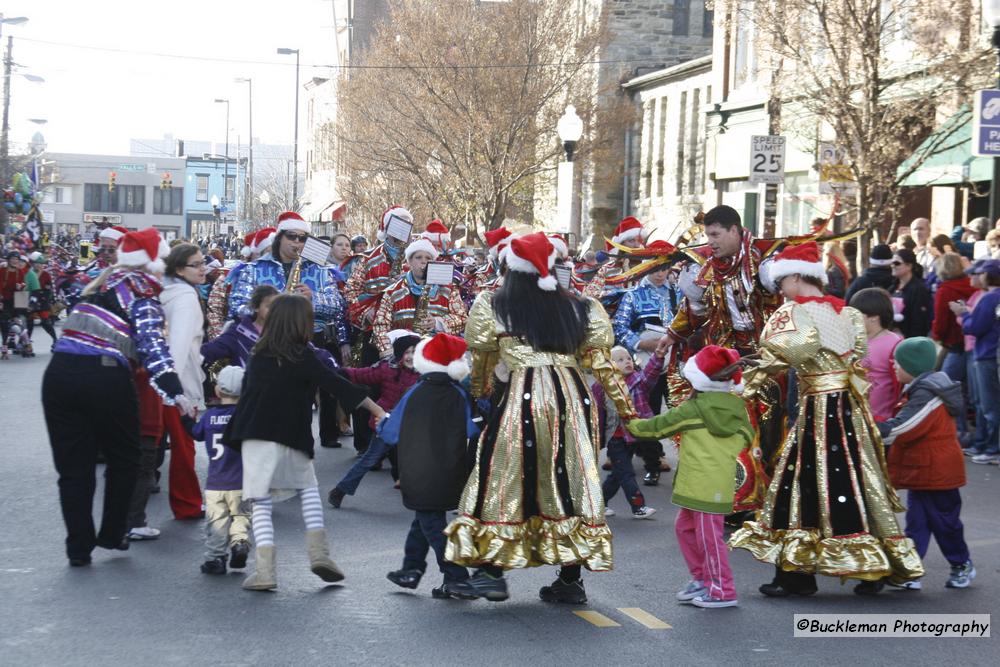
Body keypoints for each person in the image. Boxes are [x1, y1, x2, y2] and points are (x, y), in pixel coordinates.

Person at [444, 232, 637, 604]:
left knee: (504, 474)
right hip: (572, 399)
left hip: (523, 396)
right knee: (570, 477)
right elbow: (600, 362)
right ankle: (570, 578)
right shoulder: (580, 307)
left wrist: (481, 394)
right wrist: (627, 410)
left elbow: (482, 361)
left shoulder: (494, 304)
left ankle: (492, 572)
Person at [729, 241, 924, 596]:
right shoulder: (848, 313)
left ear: (798, 277)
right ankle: (871, 569)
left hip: (818, 410)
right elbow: (857, 358)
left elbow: (778, 357)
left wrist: (742, 386)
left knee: (802, 483)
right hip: (847, 410)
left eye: (782, 282)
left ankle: (796, 575)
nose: (779, 290)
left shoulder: (794, 314)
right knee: (856, 481)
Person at [42, 228, 193, 566]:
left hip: (58, 375)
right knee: (126, 458)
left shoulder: (97, 283)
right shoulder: (142, 290)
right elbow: (154, 348)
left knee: (73, 469)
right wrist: (176, 393)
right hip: (105, 374)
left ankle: (78, 549)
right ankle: (113, 532)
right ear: (153, 262)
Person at [222, 293, 386, 591]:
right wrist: (376, 410)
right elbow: (337, 384)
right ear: (302, 324)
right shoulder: (304, 355)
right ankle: (319, 555)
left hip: (256, 436)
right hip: (293, 435)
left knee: (260, 503)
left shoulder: (259, 354)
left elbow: (246, 399)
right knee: (308, 492)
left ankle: (265, 571)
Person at [627, 345, 754, 608]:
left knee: (709, 539)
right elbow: (748, 437)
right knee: (686, 528)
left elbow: (656, 428)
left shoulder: (693, 408)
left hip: (700, 483)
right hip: (714, 481)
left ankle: (722, 590)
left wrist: (628, 421)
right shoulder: (736, 406)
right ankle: (702, 579)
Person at [380, 333, 479, 600]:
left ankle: (458, 577)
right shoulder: (460, 394)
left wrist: (382, 422)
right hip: (451, 470)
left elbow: (390, 433)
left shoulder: (414, 393)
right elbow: (474, 429)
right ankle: (411, 569)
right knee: (425, 519)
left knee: (433, 525)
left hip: (419, 470)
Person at [876, 338, 975, 590]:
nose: (895, 366)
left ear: (913, 366)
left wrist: (871, 430)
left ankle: (961, 564)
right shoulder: (926, 388)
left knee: (945, 523)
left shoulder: (928, 394)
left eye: (899, 362)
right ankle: (911, 570)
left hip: (937, 472)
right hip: (925, 470)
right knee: (917, 523)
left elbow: (904, 427)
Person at [328, 331, 421, 507]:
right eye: (407, 352)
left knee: (413, 457)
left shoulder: (423, 373)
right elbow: (362, 374)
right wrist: (339, 372)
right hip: (386, 423)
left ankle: (408, 484)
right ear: (400, 354)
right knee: (369, 459)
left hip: (410, 425)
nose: (411, 357)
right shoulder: (387, 368)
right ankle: (341, 489)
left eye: (415, 352)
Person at [161, 243, 209, 520]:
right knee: (183, 446)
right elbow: (178, 345)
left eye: (203, 262)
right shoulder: (185, 298)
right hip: (177, 382)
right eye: (196, 264)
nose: (203, 269)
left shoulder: (167, 292)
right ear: (179, 269)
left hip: (163, 378)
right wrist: (175, 388)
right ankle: (187, 503)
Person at [592, 343, 664, 518]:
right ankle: (638, 507)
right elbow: (596, 412)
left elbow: (651, 374)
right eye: (620, 360)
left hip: (634, 436)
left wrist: (659, 356)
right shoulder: (603, 387)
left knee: (618, 474)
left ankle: (598, 504)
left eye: (629, 358)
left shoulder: (639, 382)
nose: (627, 362)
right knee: (626, 473)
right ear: (610, 365)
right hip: (615, 439)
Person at [193, 366, 251, 576]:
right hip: (243, 481)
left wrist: (186, 418)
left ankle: (215, 559)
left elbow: (196, 434)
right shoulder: (244, 416)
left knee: (217, 522)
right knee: (241, 516)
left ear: (218, 391)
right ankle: (239, 543)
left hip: (216, 482)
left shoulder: (209, 416)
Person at [373, 237, 468, 356]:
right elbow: (380, 326)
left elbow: (462, 318)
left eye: (428, 258)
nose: (424, 262)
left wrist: (437, 322)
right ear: (409, 262)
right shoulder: (393, 291)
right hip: (403, 357)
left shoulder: (448, 289)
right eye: (418, 257)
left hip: (437, 354)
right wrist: (390, 354)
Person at [951, 258, 1000, 465]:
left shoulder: (990, 298)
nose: (976, 277)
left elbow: (975, 327)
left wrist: (963, 314)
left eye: (980, 273)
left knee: (988, 405)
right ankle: (984, 444)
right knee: (985, 404)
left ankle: (992, 448)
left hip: (986, 353)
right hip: (990, 353)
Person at [931, 253, 977, 436]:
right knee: (968, 391)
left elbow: (941, 321)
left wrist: (937, 336)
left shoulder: (945, 290)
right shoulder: (972, 286)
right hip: (972, 343)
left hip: (954, 344)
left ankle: (958, 431)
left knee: (948, 388)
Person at [848, 288, 903, 422]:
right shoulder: (851, 339)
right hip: (853, 417)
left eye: (856, 314)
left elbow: (902, 385)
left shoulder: (894, 344)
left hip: (881, 421)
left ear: (874, 317)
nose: (850, 318)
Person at [201, 285, 279, 369]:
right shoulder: (238, 332)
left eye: (277, 307)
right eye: (269, 306)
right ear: (256, 307)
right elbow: (212, 349)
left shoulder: (281, 333)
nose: (273, 311)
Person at [890, 248, 932, 338]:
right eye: (891, 262)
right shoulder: (892, 287)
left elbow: (919, 321)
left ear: (909, 266)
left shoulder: (919, 289)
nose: (893, 266)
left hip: (910, 340)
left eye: (897, 263)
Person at [27, 253, 58, 348]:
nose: (38, 265)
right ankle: (26, 342)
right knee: (29, 322)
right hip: (30, 300)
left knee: (45, 322)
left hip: (42, 300)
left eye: (40, 263)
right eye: (36, 263)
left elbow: (49, 290)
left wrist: (47, 300)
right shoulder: (28, 274)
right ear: (33, 264)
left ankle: (55, 340)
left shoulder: (46, 275)